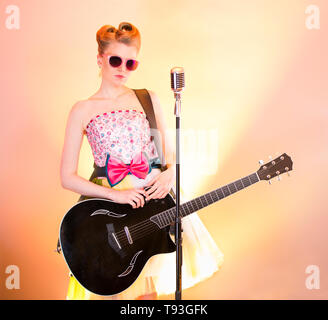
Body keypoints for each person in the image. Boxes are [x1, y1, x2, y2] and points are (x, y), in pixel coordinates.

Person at [60, 22, 224, 300]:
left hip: (153, 197)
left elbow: (168, 154)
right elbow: (67, 177)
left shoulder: (146, 99)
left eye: (130, 62)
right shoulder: (82, 109)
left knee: (147, 292)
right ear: (100, 59)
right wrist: (116, 195)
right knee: (113, 282)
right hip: (109, 207)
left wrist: (170, 173)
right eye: (115, 60)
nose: (122, 68)